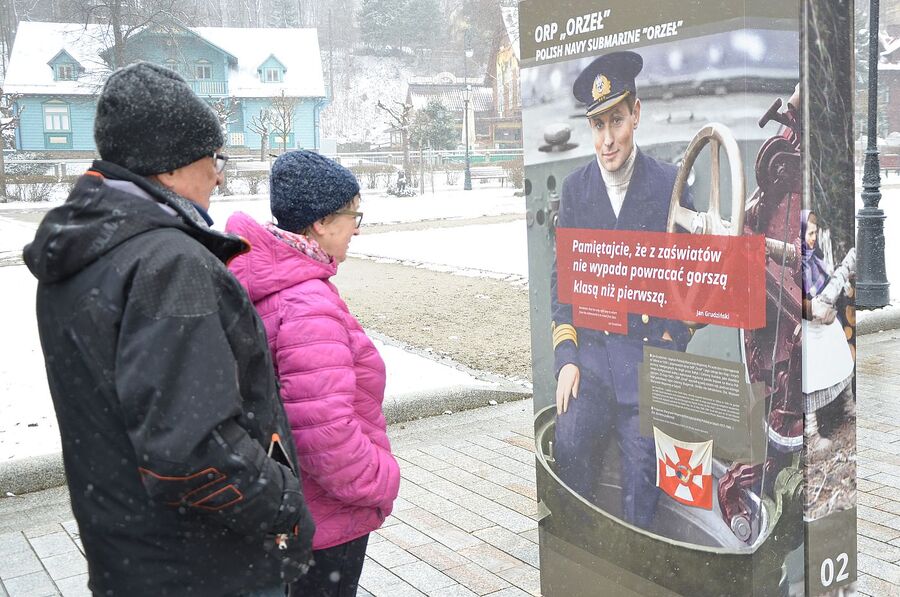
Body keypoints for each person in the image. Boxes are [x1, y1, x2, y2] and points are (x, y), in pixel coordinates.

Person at [22, 62, 314, 596]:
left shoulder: (87, 252)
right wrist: (284, 505)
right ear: (173, 165)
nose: (220, 175)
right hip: (206, 568)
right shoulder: (167, 263)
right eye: (214, 158)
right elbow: (192, 447)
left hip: (132, 557)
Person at [226, 150, 401, 597]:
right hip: (328, 518)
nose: (358, 227)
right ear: (321, 223)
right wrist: (379, 480)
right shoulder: (306, 303)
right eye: (352, 215)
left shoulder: (270, 280)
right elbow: (324, 434)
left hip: (293, 505)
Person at [550, 51, 693, 529]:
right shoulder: (575, 191)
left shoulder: (670, 187)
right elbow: (562, 284)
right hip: (590, 362)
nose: (607, 140)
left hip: (645, 361)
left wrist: (673, 340)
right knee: (567, 441)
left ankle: (634, 565)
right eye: (597, 126)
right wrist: (567, 357)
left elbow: (689, 280)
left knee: (644, 473)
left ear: (637, 112)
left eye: (616, 121)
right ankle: (585, 549)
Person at [799, 210, 856, 452]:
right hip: (809, 325)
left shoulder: (815, 258)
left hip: (826, 319)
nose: (812, 238)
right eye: (809, 233)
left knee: (841, 353)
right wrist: (812, 308)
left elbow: (826, 283)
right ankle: (811, 431)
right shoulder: (796, 262)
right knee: (812, 370)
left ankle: (847, 405)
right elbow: (795, 298)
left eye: (814, 233)